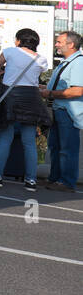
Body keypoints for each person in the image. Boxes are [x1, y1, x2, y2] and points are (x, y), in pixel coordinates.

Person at [0, 29, 51, 189]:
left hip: (11, 97)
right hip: (31, 99)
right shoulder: (41, 59)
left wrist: (4, 74)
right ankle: (30, 180)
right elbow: (34, 78)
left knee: (5, 138)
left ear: (19, 40)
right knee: (29, 142)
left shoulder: (10, 52)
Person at [41, 30, 83, 193]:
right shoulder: (67, 62)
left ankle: (67, 182)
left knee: (67, 148)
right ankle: (55, 179)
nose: (56, 45)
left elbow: (78, 91)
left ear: (71, 44)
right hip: (60, 110)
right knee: (55, 146)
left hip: (68, 112)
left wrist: (49, 93)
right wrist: (46, 88)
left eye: (59, 42)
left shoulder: (78, 62)